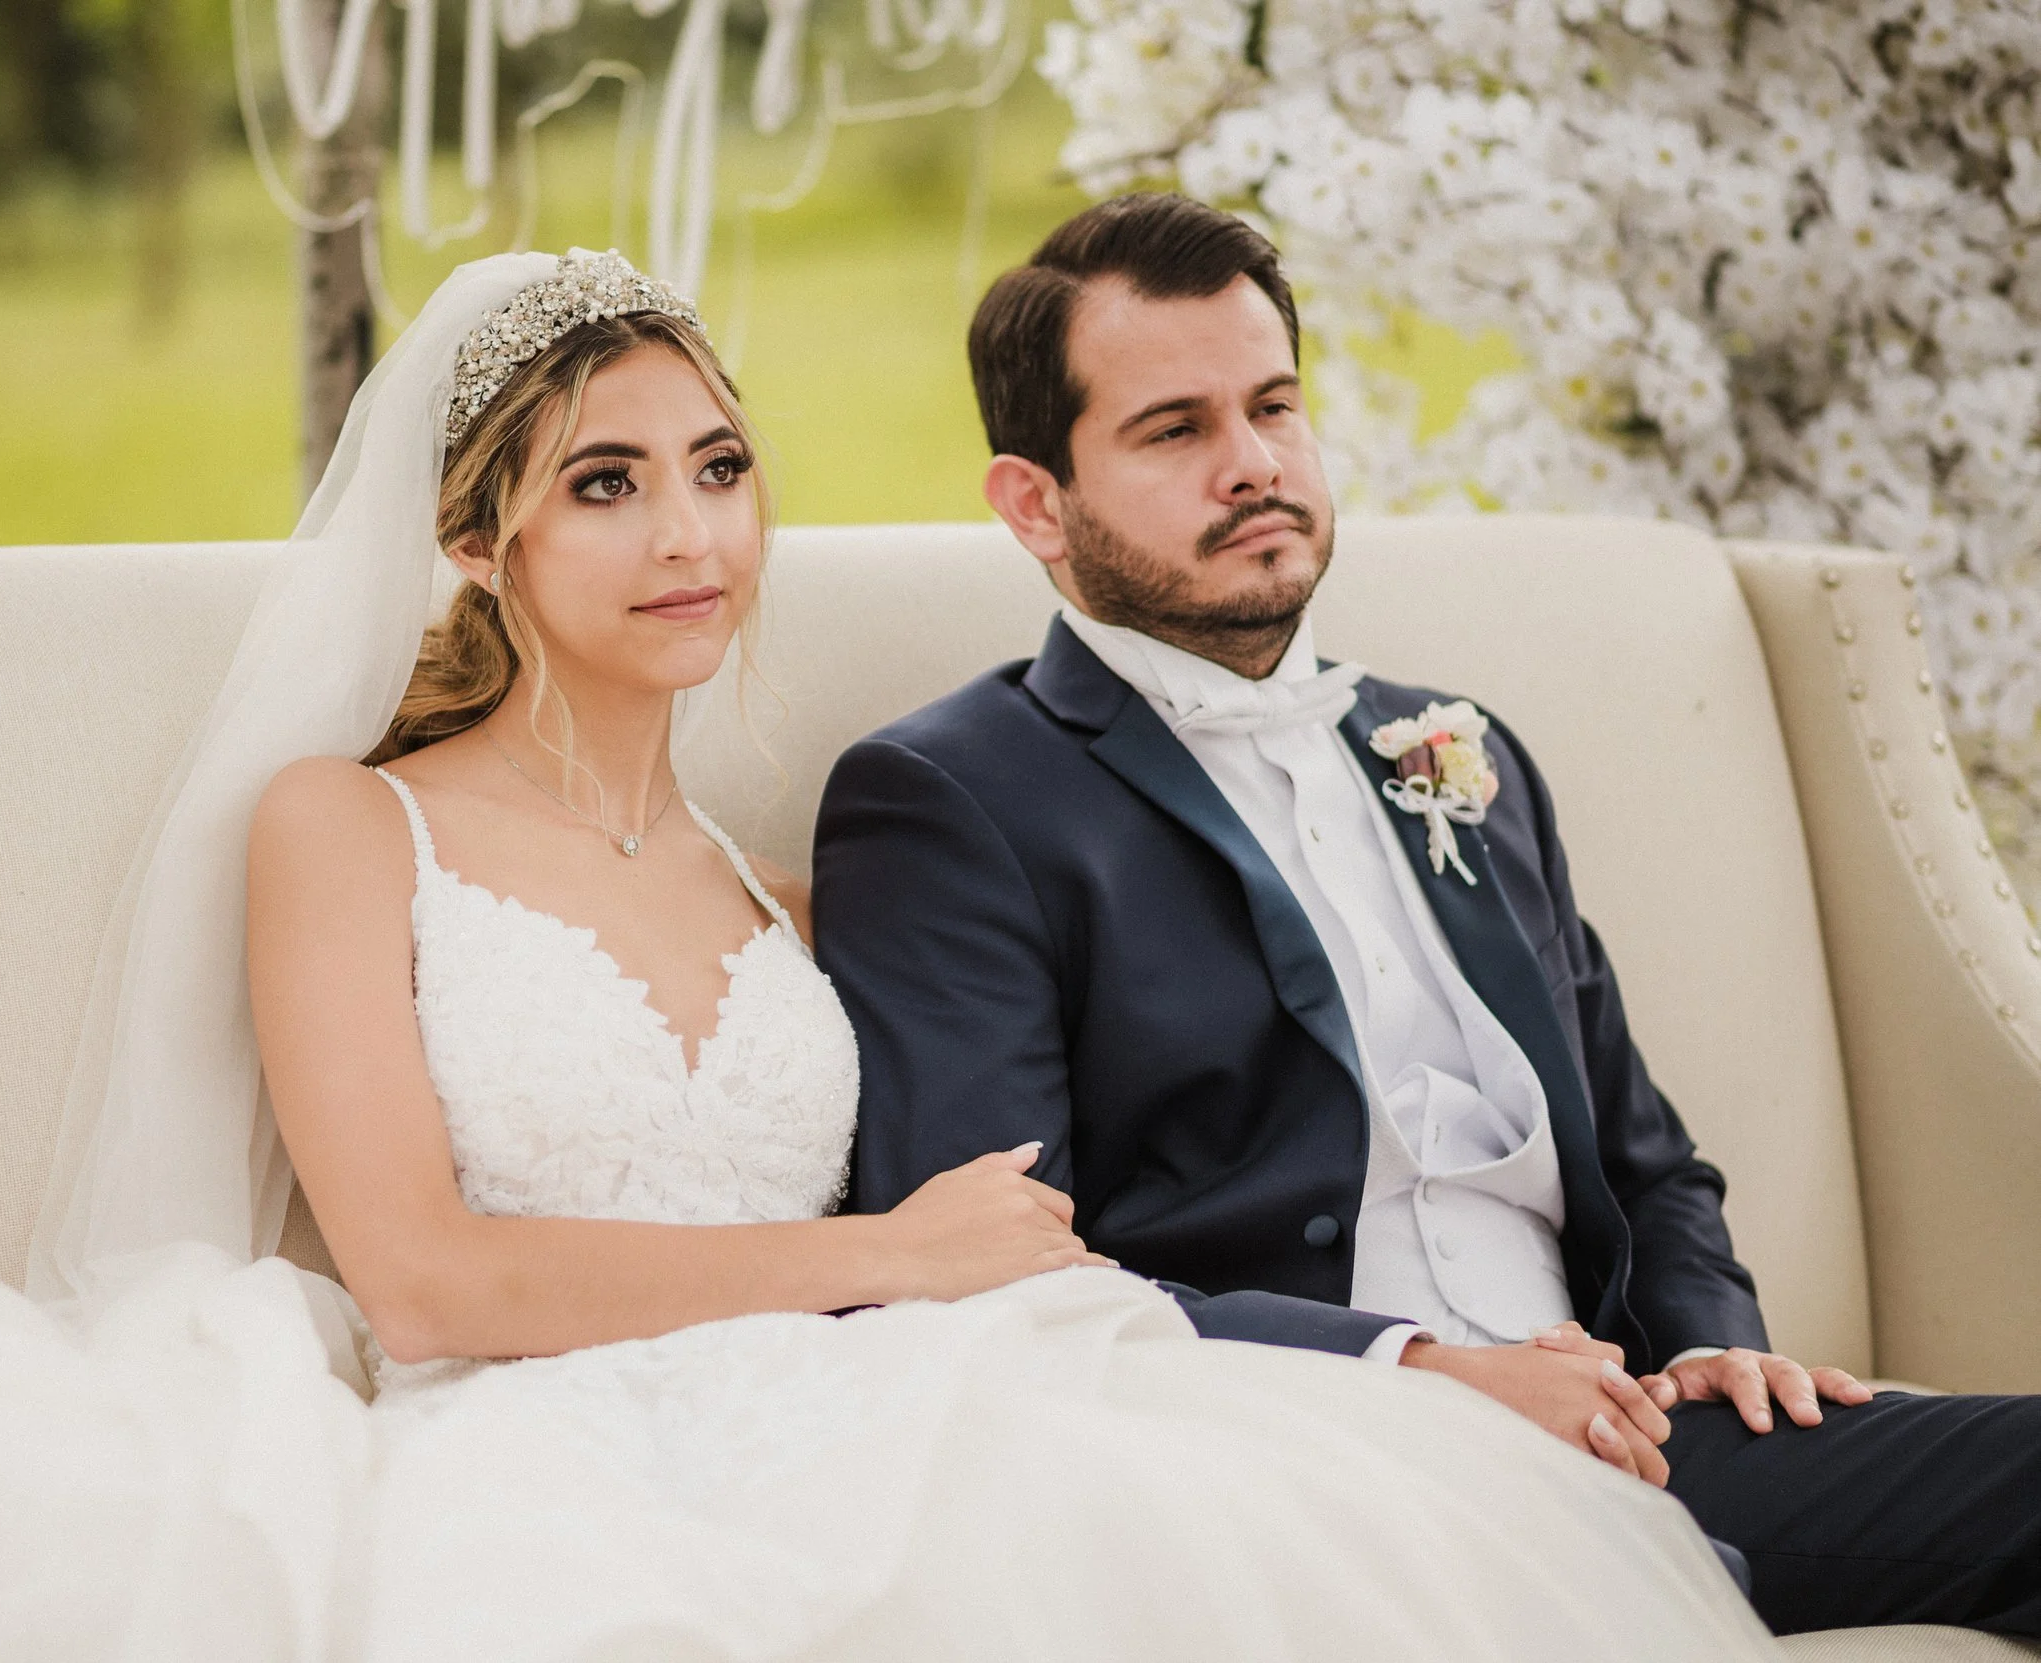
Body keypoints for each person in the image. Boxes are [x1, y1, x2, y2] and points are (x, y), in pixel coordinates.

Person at [0, 250, 1772, 1660]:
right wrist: (879, 1260)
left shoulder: (777, 884)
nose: (688, 532)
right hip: (529, 1450)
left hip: (865, 1407)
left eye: (718, 467)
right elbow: (422, 1277)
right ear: (476, 536)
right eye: (603, 484)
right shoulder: (346, 829)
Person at [813, 192, 2041, 1640]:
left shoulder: (1457, 750)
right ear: (1035, 503)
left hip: (1641, 1433)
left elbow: (1646, 1164)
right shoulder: (950, 798)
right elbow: (994, 1280)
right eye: (1176, 429)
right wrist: (1421, 1369)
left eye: (1274, 405)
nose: (1254, 462)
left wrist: (1718, 1348)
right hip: (1306, 1467)